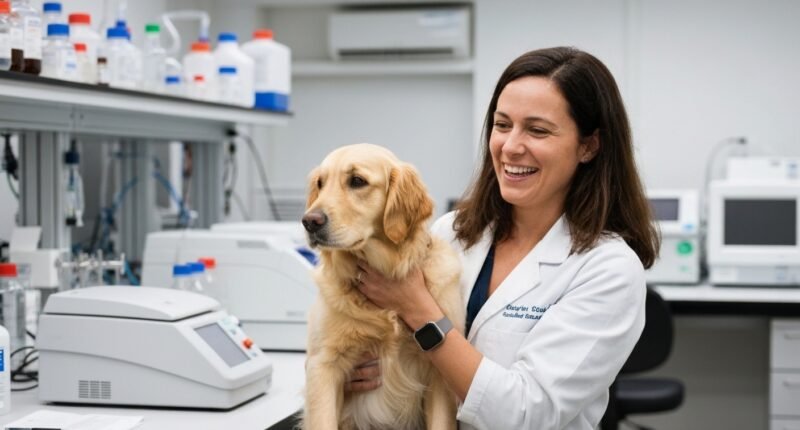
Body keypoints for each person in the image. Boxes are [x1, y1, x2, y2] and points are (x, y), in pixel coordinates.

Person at [351, 46, 660, 430]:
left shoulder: (608, 268)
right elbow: (398, 349)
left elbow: (527, 413)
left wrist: (418, 310)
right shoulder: (452, 232)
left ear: (588, 145)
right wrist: (363, 370)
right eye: (502, 125)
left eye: (537, 130)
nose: (511, 146)